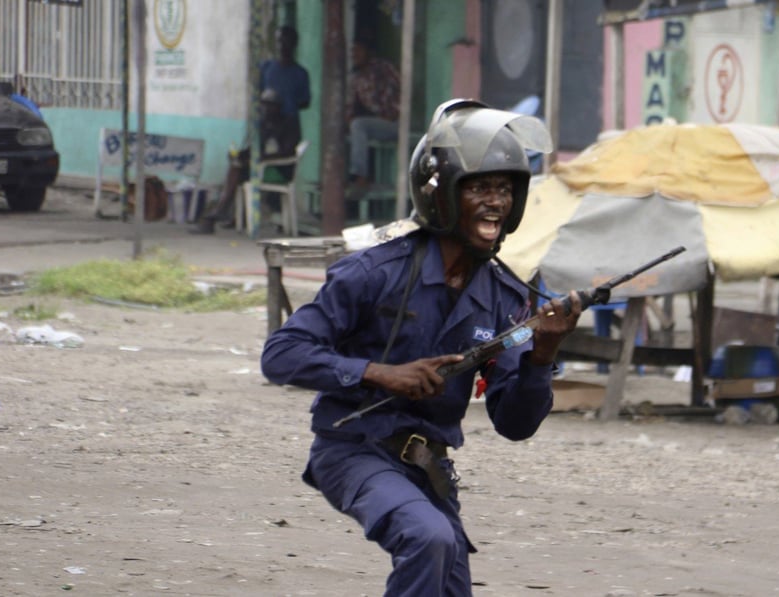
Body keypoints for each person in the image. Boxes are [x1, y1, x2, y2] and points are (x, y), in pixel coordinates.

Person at [260, 99, 575, 595]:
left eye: (504, 189)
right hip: (352, 452)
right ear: (442, 193)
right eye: (478, 187)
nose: (495, 202)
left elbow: (515, 424)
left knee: (447, 574)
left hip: (429, 470)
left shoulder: (506, 299)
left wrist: (543, 354)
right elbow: (280, 354)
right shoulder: (375, 273)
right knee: (427, 538)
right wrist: (379, 373)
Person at [190, 88, 299, 234]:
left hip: (279, 171)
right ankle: (223, 210)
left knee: (236, 171)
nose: (267, 108)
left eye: (271, 105)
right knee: (235, 167)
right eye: (264, 104)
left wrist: (260, 159)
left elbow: (288, 151)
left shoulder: (288, 123)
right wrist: (239, 156)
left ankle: (221, 208)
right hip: (262, 167)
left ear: (278, 106)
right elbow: (254, 149)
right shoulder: (263, 124)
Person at [347, 32, 401, 190]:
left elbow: (402, 89)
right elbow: (350, 105)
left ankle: (360, 175)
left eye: (358, 50)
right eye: (352, 50)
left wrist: (396, 111)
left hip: (396, 122)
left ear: (368, 51)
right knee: (352, 126)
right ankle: (348, 178)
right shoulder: (356, 76)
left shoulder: (383, 68)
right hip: (379, 122)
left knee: (358, 125)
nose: (354, 54)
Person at [260, 25, 310, 142]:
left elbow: (305, 101)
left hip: (289, 124)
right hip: (268, 124)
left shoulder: (300, 73)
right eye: (279, 41)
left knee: (288, 157)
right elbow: (260, 94)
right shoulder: (266, 68)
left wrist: (287, 103)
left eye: (286, 41)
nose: (282, 45)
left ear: (294, 44)